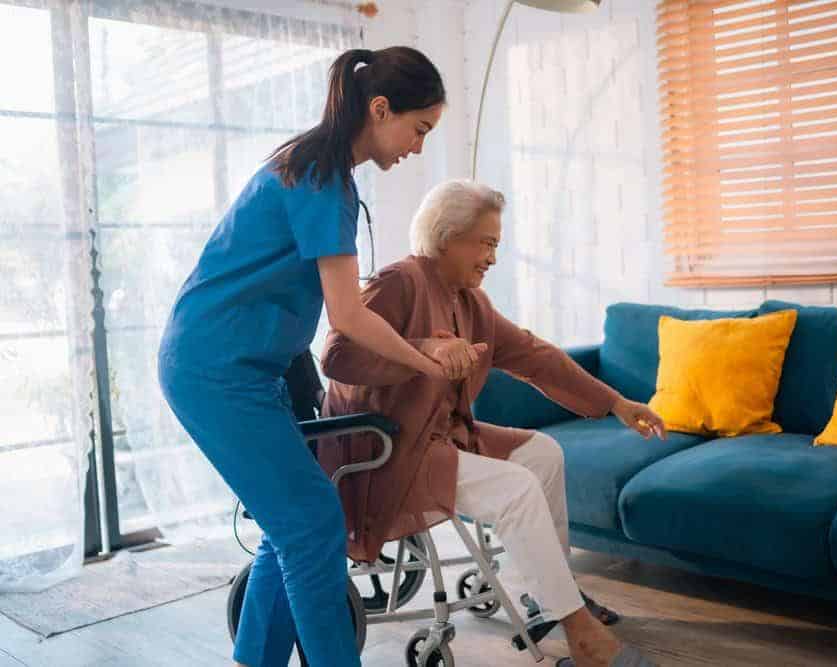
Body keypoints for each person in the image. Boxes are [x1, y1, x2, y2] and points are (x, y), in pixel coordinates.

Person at [157, 47, 455, 667]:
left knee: (292, 523)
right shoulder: (321, 180)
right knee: (313, 523)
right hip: (215, 368)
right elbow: (348, 315)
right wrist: (427, 361)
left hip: (245, 365)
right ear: (380, 109)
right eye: (418, 129)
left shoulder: (317, 168)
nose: (417, 148)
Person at [319, 179, 664, 667]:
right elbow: (336, 355)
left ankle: (549, 599)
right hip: (384, 452)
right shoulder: (399, 282)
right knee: (516, 487)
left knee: (542, 453)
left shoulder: (471, 302)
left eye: (495, 245)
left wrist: (615, 402)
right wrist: (422, 350)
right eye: (486, 243)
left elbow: (535, 355)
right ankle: (581, 635)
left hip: (439, 441)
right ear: (446, 235)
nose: (493, 258)